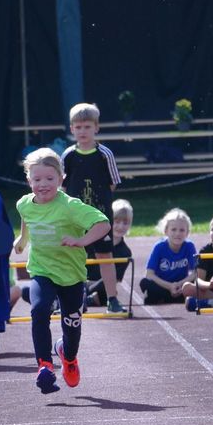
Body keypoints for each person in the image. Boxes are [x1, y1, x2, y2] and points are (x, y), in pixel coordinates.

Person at [12, 148, 110, 394]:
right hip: (42, 270)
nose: (43, 184)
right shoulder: (24, 203)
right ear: (29, 180)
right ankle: (45, 365)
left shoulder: (70, 206)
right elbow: (26, 217)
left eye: (49, 178)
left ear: (61, 178)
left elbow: (103, 224)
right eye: (37, 179)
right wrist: (23, 239)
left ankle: (68, 356)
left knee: (72, 325)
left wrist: (81, 241)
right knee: (39, 309)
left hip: (71, 275)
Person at [63, 102, 125, 313]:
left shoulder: (104, 154)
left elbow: (113, 183)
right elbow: (62, 187)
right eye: (78, 127)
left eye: (87, 126)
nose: (83, 131)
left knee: (104, 257)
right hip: (74, 218)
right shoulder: (68, 155)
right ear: (72, 129)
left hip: (100, 218)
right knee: (74, 259)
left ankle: (112, 299)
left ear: (96, 128)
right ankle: (76, 299)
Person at [139, 208, 197, 305]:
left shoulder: (189, 246)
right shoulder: (159, 247)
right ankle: (167, 297)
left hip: (181, 286)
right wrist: (170, 286)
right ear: (166, 231)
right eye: (173, 229)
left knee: (199, 281)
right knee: (145, 282)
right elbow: (149, 274)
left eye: (182, 230)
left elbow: (195, 273)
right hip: (163, 285)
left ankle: (170, 297)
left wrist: (179, 284)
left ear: (187, 233)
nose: (177, 233)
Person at [86, 198, 133, 307]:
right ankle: (86, 298)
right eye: (117, 222)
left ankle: (88, 299)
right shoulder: (95, 241)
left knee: (110, 290)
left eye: (125, 223)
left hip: (102, 286)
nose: (121, 227)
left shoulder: (125, 252)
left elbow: (115, 280)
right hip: (84, 282)